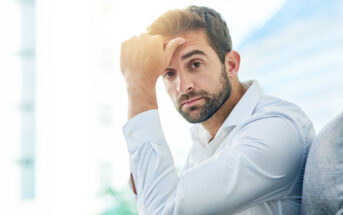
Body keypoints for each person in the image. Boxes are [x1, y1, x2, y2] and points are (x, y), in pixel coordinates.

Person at [120, 5, 315, 215]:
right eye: (169, 74)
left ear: (231, 65)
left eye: (195, 64)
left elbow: (162, 210)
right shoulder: (204, 138)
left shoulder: (275, 129)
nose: (182, 86)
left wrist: (138, 82)